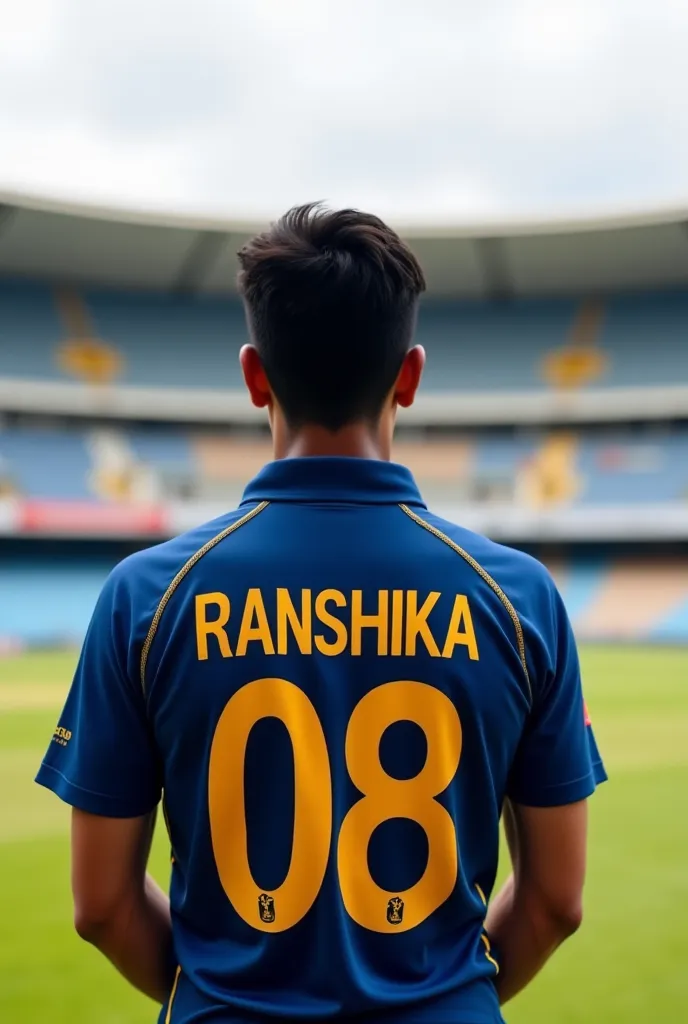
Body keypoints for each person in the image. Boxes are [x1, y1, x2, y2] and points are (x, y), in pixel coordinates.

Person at [36, 203, 607, 1024]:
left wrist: (222, 996)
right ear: (409, 377)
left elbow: (100, 906)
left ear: (253, 376)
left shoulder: (145, 596)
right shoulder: (519, 600)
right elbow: (556, 901)